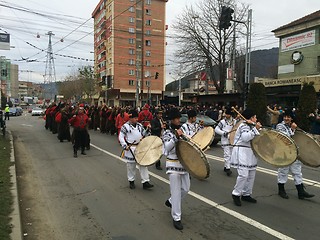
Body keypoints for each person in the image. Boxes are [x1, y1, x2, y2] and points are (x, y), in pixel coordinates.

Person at [276, 110, 315, 200]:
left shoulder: (293, 126)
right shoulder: (280, 126)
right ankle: (281, 190)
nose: (286, 118)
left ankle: (301, 192)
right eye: (285, 116)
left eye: (288, 117)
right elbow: (285, 138)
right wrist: (293, 129)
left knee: (297, 172)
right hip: (284, 152)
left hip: (295, 152)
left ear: (291, 118)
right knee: (283, 171)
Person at [162, 108, 189, 230]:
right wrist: (176, 137)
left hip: (183, 164)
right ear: (172, 120)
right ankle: (176, 217)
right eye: (177, 118)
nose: (179, 120)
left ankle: (171, 201)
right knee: (177, 192)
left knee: (186, 188)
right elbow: (167, 147)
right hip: (173, 164)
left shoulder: (181, 130)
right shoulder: (167, 132)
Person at [230, 109, 262, 206]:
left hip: (251, 152)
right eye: (255, 117)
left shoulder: (251, 126)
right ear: (251, 117)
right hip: (242, 151)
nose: (256, 119)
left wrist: (257, 129)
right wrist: (255, 129)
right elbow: (245, 138)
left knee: (251, 174)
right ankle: (236, 194)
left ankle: (246, 194)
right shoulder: (244, 126)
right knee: (243, 175)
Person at [118, 109, 154, 190]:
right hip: (130, 148)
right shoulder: (125, 126)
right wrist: (124, 145)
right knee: (131, 166)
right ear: (130, 118)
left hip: (139, 147)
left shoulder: (139, 125)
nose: (137, 119)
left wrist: (147, 129)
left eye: (137, 118)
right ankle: (131, 181)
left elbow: (143, 134)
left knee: (143, 164)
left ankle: (145, 182)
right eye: (135, 118)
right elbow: (121, 137)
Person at [215, 107, 237, 176]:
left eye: (227, 114)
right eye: (226, 114)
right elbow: (216, 129)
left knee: (231, 154)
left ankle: (226, 166)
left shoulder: (234, 121)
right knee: (227, 154)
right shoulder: (222, 122)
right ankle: (228, 168)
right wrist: (223, 133)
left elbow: (236, 129)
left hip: (232, 140)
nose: (226, 115)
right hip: (225, 139)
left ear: (230, 115)